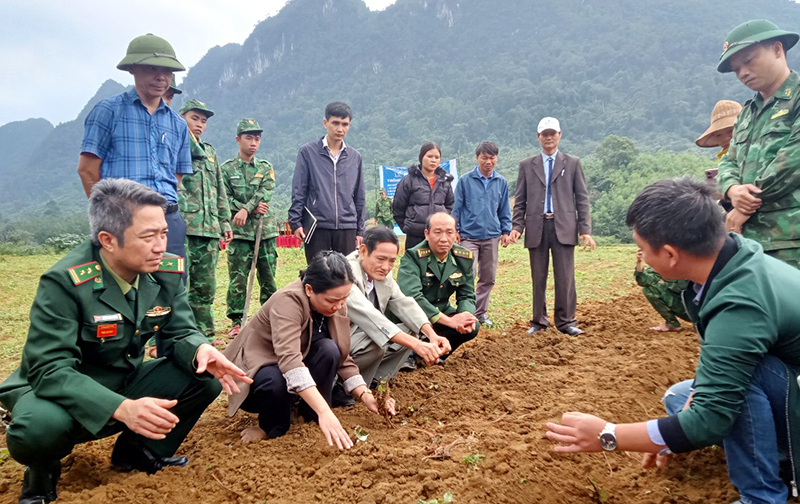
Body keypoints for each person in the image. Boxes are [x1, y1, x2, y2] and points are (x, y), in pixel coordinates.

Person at [545, 177, 800, 504]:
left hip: (790, 388)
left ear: (669, 254)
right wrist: (666, 436)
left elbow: (710, 419)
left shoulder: (739, 304)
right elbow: (718, 367)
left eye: (642, 249)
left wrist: (608, 434)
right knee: (680, 398)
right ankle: (777, 455)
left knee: (732, 390)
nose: (643, 258)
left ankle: (762, 496)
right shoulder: (732, 260)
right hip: (790, 384)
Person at [0, 179, 250, 504]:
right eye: (148, 236)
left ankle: (138, 452)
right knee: (40, 429)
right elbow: (50, 369)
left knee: (203, 376)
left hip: (123, 378)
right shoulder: (65, 282)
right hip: (55, 390)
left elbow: (180, 332)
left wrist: (201, 349)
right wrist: (122, 408)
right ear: (108, 240)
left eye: (163, 232)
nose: (161, 245)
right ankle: (41, 477)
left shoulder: (163, 270)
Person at [223, 251, 394, 448]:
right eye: (332, 300)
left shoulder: (337, 303)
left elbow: (343, 359)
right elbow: (290, 362)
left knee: (330, 350)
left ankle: (309, 415)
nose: (338, 306)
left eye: (344, 299)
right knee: (276, 380)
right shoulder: (288, 301)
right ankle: (270, 426)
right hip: (256, 374)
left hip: (290, 369)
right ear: (310, 289)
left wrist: (366, 396)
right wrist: (325, 411)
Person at [77, 33, 192, 265]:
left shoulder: (178, 124)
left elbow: (176, 174)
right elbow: (87, 169)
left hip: (168, 219)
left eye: (167, 71)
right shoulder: (109, 111)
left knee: (170, 289)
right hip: (124, 220)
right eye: (151, 68)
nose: (161, 77)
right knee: (123, 289)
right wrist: (109, 215)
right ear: (133, 69)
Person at [716, 19, 800, 269]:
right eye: (736, 69)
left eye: (749, 61)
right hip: (747, 242)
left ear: (777, 49)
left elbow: (793, 159)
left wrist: (747, 206)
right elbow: (729, 160)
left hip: (791, 240)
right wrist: (731, 188)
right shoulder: (746, 113)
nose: (742, 73)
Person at [341, 226, 451, 401]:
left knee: (411, 328)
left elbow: (403, 303)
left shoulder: (381, 273)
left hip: (359, 338)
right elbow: (371, 317)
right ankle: (342, 387)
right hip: (337, 342)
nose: (386, 267)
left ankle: (376, 381)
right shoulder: (345, 273)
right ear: (363, 251)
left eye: (392, 261)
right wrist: (417, 345)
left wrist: (431, 335)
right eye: (381, 259)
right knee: (377, 343)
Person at [509, 117, 595, 337]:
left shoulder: (572, 163)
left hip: (564, 226)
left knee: (565, 276)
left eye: (552, 133)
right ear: (538, 137)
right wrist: (517, 226)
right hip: (537, 226)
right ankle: (539, 321)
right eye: (544, 134)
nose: (548, 137)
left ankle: (566, 321)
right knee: (538, 276)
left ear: (559, 135)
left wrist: (585, 230)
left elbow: (582, 198)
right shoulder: (527, 165)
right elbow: (521, 200)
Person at [177, 99, 233, 347]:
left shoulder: (210, 152)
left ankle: (204, 336)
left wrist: (225, 221)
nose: (199, 124)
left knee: (205, 287)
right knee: (177, 284)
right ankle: (172, 336)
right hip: (182, 227)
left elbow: (220, 187)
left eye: (203, 120)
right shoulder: (177, 144)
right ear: (181, 118)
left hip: (209, 229)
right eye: (194, 118)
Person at [221, 119, 278, 339]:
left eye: (257, 138)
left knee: (269, 278)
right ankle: (237, 321)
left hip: (265, 232)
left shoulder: (265, 167)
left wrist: (247, 208)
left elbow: (266, 191)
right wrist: (244, 210)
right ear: (238, 139)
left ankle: (271, 318)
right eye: (248, 137)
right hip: (241, 233)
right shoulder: (226, 169)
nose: (254, 142)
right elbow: (224, 197)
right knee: (237, 279)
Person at [289, 102, 365, 262]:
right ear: (326, 123)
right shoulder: (308, 152)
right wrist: (295, 222)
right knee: (319, 275)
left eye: (345, 124)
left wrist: (360, 230)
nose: (340, 129)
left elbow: (359, 196)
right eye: (335, 123)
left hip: (347, 227)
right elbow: (299, 190)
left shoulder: (355, 157)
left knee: (345, 276)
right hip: (318, 226)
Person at [397, 212, 479, 354]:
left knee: (473, 326)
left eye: (449, 233)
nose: (444, 239)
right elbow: (412, 297)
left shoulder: (464, 258)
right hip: (412, 316)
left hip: (441, 313)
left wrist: (464, 316)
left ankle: (438, 354)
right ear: (427, 234)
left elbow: (466, 295)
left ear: (456, 234)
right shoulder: (413, 257)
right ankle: (410, 354)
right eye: (438, 232)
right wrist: (449, 321)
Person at [451, 141, 512, 327]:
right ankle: (465, 312)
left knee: (488, 276)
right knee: (468, 273)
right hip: (469, 236)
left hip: (492, 236)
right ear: (477, 158)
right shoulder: (465, 180)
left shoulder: (501, 182)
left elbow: (504, 209)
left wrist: (505, 231)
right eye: (484, 157)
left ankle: (480, 313)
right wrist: (455, 229)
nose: (488, 161)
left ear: (496, 159)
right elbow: (457, 207)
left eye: (492, 157)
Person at [392, 142, 455, 249]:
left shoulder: (445, 182)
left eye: (437, 157)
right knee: (415, 265)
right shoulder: (408, 180)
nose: (433, 160)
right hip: (415, 235)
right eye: (429, 156)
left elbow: (450, 206)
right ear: (421, 157)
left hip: (439, 236)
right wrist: (407, 227)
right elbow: (398, 207)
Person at [696, 100, 743, 203]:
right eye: (718, 135)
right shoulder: (724, 157)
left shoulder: (758, 149)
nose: (725, 138)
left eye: (730, 131)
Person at [634, 249, 691, 332]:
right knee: (649, 289)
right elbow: (643, 280)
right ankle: (672, 324)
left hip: (706, 311)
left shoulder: (691, 263)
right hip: (687, 311)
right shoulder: (657, 268)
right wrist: (639, 261)